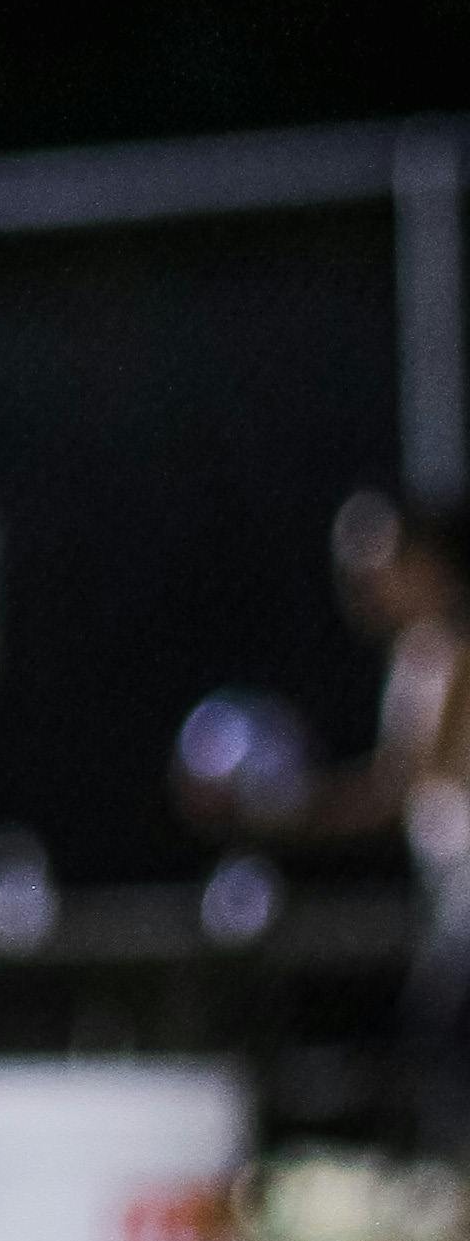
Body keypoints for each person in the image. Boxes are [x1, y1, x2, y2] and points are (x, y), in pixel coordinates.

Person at [180, 492, 470, 1151]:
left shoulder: (454, 650)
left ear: (425, 564)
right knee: (439, 1039)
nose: (365, 589)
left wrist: (283, 810)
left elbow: (400, 789)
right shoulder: (418, 657)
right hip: (452, 896)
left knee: (445, 1036)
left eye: (380, 569)